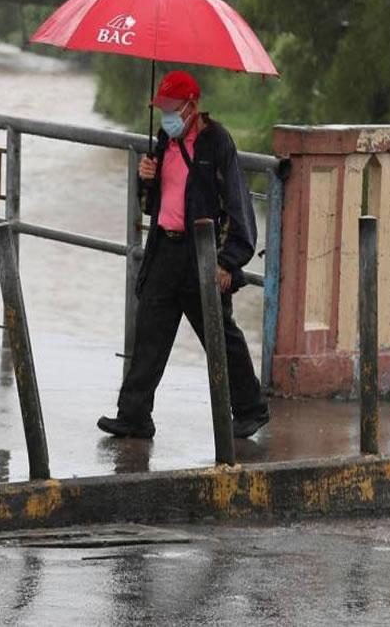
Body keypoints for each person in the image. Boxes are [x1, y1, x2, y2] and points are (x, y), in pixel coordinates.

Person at [97, 69, 270, 440]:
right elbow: (151, 206)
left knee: (219, 336)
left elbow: (238, 206)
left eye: (172, 108)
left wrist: (227, 261)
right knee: (149, 333)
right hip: (164, 249)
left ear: (192, 106)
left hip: (202, 255)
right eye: (162, 109)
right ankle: (134, 416)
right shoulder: (163, 140)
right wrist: (147, 179)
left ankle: (250, 409)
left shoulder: (217, 143)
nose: (167, 117)